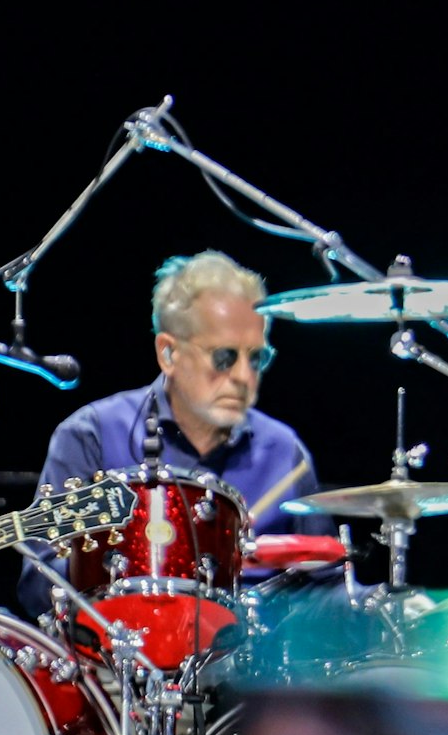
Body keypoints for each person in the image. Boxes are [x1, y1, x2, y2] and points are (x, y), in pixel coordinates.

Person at [16, 250, 334, 622]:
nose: (243, 376)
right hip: (117, 652)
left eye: (256, 359)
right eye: (224, 357)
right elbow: (38, 581)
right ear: (168, 353)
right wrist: (102, 577)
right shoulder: (92, 436)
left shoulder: (285, 452)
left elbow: (324, 589)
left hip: (258, 654)